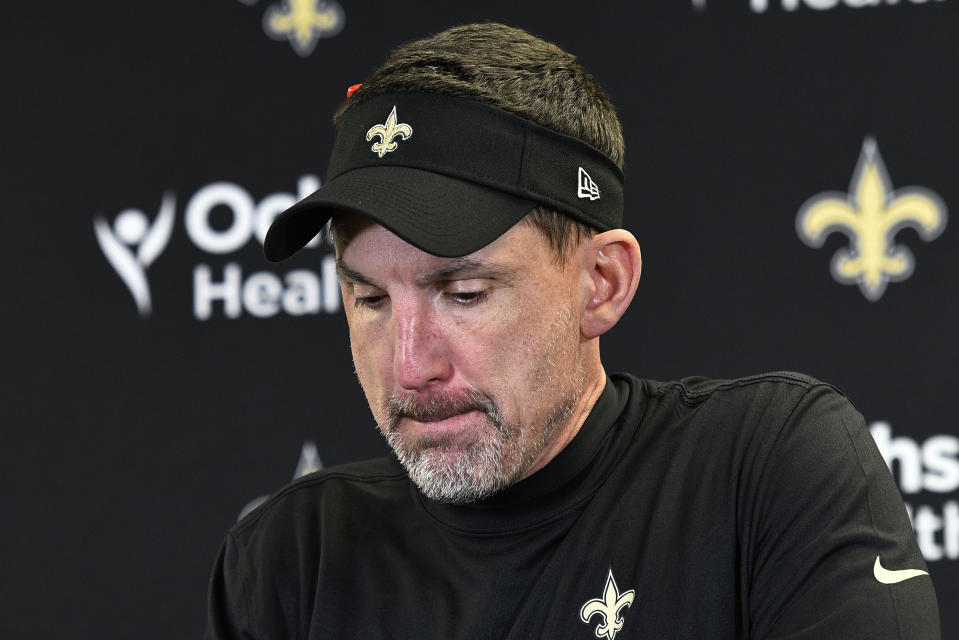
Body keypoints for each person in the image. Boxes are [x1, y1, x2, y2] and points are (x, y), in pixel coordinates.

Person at [205, 23, 940, 639]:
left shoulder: (764, 469)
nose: (410, 365)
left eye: (462, 292)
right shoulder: (290, 559)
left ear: (602, 284)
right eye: (368, 299)